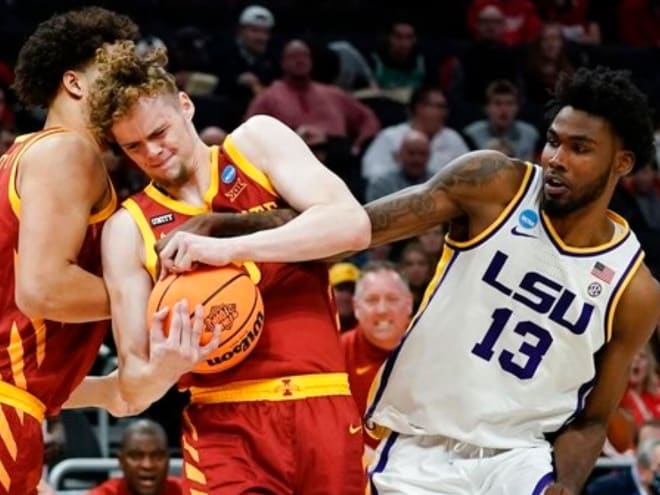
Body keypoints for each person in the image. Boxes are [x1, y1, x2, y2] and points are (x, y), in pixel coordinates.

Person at [163, 66, 660, 494]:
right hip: (413, 444)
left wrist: (567, 484)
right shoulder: (493, 185)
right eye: (553, 140)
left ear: (622, 162)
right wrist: (229, 226)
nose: (556, 157)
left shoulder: (634, 290)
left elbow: (593, 417)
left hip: (518, 460)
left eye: (580, 149)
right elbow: (353, 228)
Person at [87, 42, 370, 494]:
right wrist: (166, 367)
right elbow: (134, 386)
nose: (153, 152)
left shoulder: (255, 142)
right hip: (225, 423)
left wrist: (226, 247)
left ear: (185, 105)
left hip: (324, 402)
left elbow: (353, 226)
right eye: (134, 146)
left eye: (160, 132)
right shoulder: (129, 228)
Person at [0, 9, 213, 494]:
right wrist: (151, 294)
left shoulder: (20, 156)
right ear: (74, 83)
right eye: (110, 70)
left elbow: (18, 336)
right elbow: (43, 288)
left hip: (23, 404)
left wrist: (113, 389)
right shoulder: (69, 152)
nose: (124, 84)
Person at [340, 261, 412, 453]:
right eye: (372, 300)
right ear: (356, 307)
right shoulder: (338, 353)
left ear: (409, 303)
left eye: (392, 298)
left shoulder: (432, 350)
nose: (382, 309)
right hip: (359, 467)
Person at [88, 419, 182, 495]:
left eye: (157, 456)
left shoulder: (188, 491)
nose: (147, 465)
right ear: (121, 461)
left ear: (168, 460)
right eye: (136, 456)